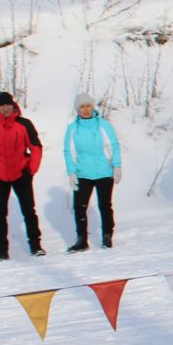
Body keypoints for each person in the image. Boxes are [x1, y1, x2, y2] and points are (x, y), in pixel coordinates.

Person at [0, 90, 45, 261]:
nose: (5, 108)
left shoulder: (24, 124)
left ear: (13, 105)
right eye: (1, 105)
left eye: (8, 104)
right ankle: (1, 251)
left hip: (21, 173)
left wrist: (30, 170)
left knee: (29, 210)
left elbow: (36, 147)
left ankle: (36, 246)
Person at [62, 94, 121, 252]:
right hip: (83, 174)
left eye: (88, 106)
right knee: (80, 207)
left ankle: (107, 236)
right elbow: (69, 152)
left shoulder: (103, 125)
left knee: (105, 205)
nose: (85, 109)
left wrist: (117, 166)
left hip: (103, 172)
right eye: (82, 106)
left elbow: (113, 146)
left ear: (92, 107)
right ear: (77, 109)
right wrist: (72, 173)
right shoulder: (72, 129)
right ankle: (82, 240)